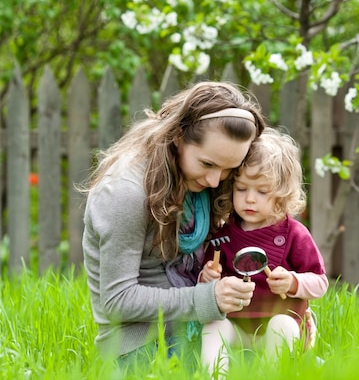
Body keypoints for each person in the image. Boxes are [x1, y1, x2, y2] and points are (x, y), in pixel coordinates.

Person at [80, 81, 267, 368]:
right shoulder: (126, 192)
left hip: (200, 327)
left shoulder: (200, 185)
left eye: (229, 169)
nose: (216, 181)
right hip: (141, 344)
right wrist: (207, 297)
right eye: (207, 164)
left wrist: (291, 311)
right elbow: (117, 301)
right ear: (178, 136)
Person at [198, 127, 329, 378]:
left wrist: (293, 282)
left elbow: (320, 283)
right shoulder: (223, 235)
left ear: (281, 194)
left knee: (283, 326)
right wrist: (208, 279)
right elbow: (206, 282)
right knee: (213, 325)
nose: (249, 199)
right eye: (242, 189)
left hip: (276, 324)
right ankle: (214, 375)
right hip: (236, 326)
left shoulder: (294, 233)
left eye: (262, 191)